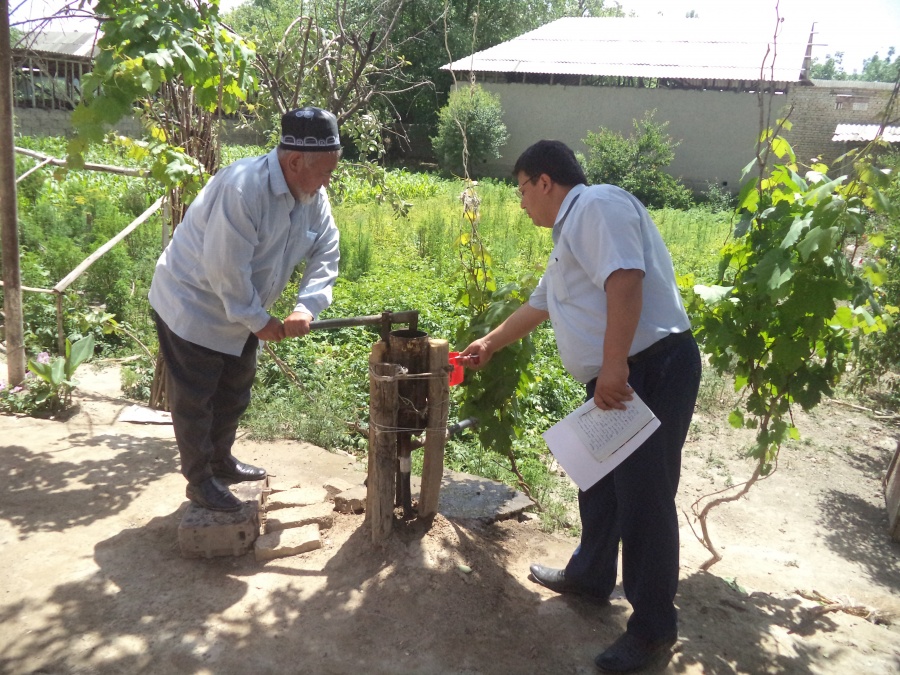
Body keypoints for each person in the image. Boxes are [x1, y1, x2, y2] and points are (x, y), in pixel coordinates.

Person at [460, 140, 701, 673]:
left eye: (522, 189)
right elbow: (541, 303)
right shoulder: (570, 231)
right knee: (600, 483)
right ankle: (590, 577)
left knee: (644, 499)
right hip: (621, 374)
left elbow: (626, 281)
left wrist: (614, 366)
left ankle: (653, 629)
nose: (521, 202)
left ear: (545, 181)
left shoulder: (597, 205)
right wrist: (491, 343)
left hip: (648, 369)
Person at [149, 107, 342, 513]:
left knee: (234, 390)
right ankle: (200, 481)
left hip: (244, 310)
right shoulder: (242, 188)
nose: (328, 180)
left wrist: (306, 306)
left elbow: (326, 251)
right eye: (325, 171)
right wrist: (259, 320)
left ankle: (221, 461)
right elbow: (225, 269)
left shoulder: (312, 197)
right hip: (192, 304)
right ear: (295, 161)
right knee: (196, 400)